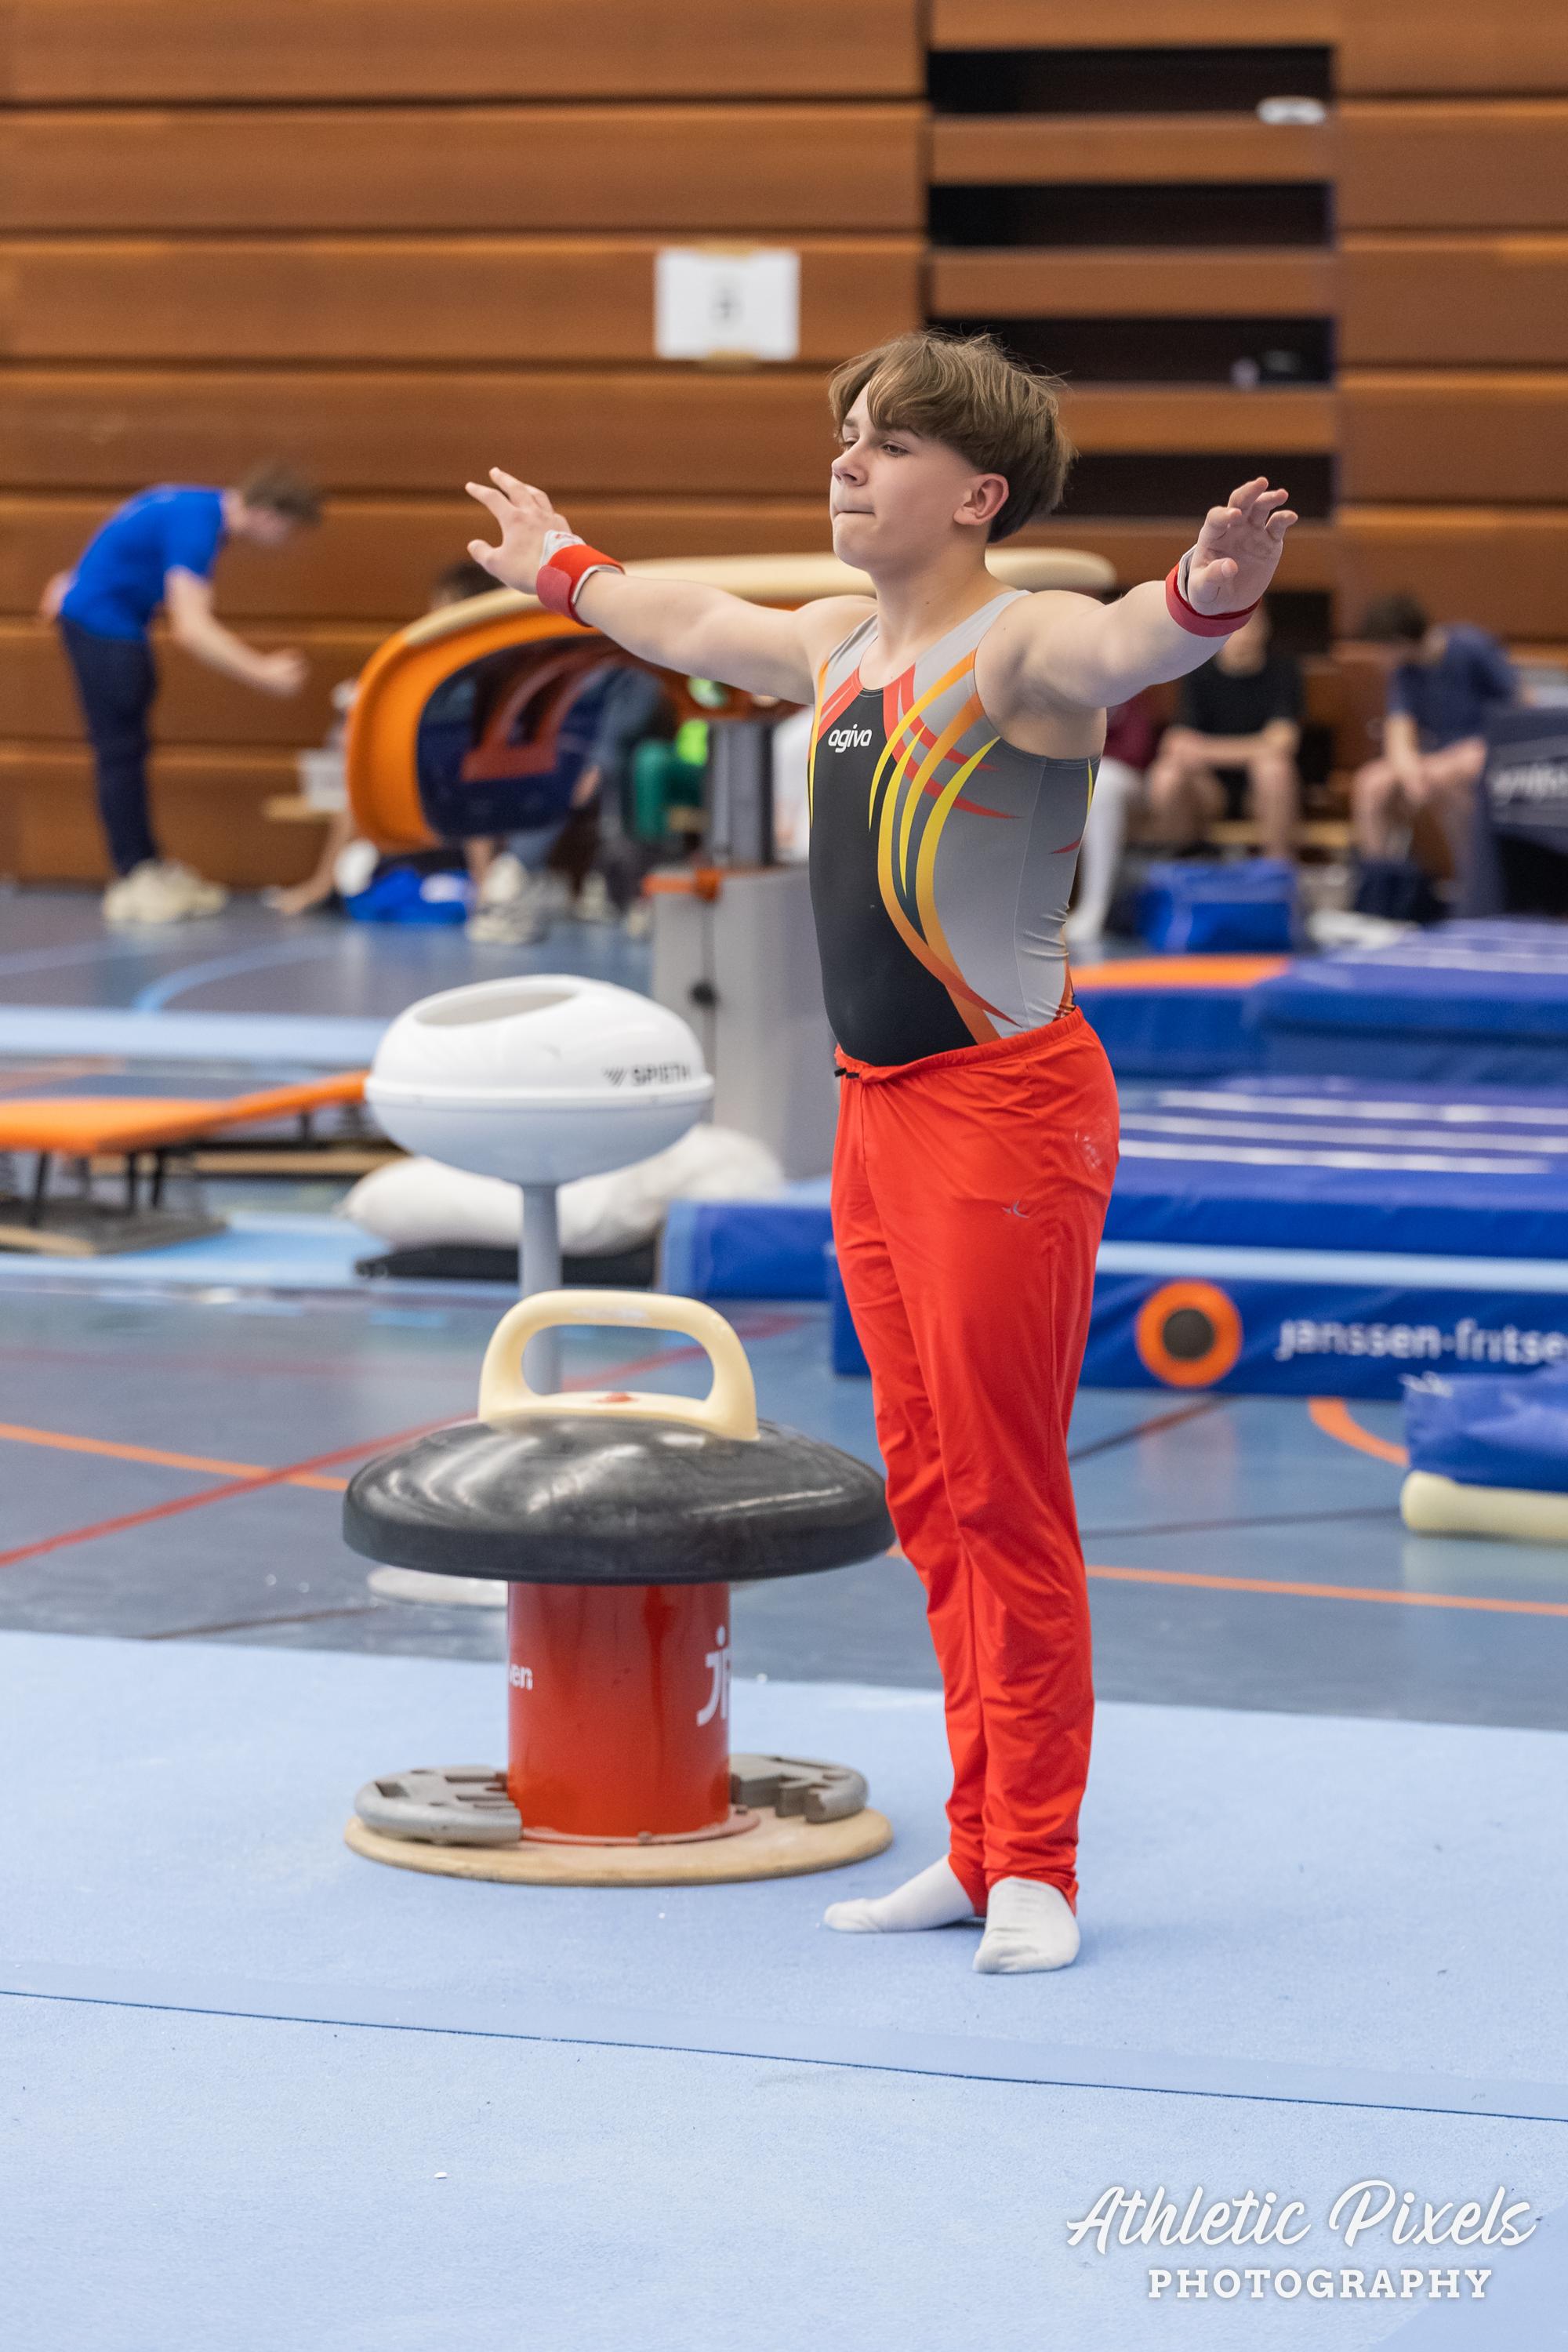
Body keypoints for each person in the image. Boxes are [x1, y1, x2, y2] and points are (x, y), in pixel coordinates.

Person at [465, 328, 1294, 1973]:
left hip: (1004, 1111)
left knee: (1002, 1491)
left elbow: (1125, 644)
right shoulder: (836, 647)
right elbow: (682, 620)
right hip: (877, 1108)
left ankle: (1037, 1860)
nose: (848, 462)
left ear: (979, 496)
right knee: (928, 1491)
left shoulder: (1020, 644)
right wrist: (560, 564)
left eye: (890, 444)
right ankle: (976, 1846)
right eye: (846, 435)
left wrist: (1204, 597)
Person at [42, 465, 322, 926]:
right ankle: (134, 876)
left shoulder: (191, 506)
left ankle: (145, 864)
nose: (283, 543)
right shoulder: (199, 524)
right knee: (120, 755)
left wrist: (75, 580)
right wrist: (263, 673)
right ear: (270, 514)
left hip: (105, 625)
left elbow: (123, 543)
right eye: (287, 531)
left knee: (129, 752)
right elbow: (192, 629)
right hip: (105, 632)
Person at [1351, 592, 1515, 872]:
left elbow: (1520, 704)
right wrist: (1410, 775)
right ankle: (1380, 881)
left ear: (1400, 641)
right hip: (1435, 758)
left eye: (1382, 649)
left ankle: (1473, 880)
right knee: (1371, 784)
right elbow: (1399, 733)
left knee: (1454, 771)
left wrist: (1483, 746)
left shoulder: (1470, 647)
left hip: (1484, 748)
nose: (1379, 659)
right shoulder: (1404, 672)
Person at [1143, 600, 1301, 860]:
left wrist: (1204, 750)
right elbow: (1176, 744)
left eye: (1249, 624)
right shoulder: (1197, 671)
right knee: (1167, 775)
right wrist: (1255, 748)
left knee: (1274, 771)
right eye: (1233, 626)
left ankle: (1277, 870)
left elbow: (1282, 743)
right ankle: (1180, 864)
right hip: (1210, 788)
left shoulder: (1283, 671)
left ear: (1265, 627)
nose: (1241, 634)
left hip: (1258, 790)